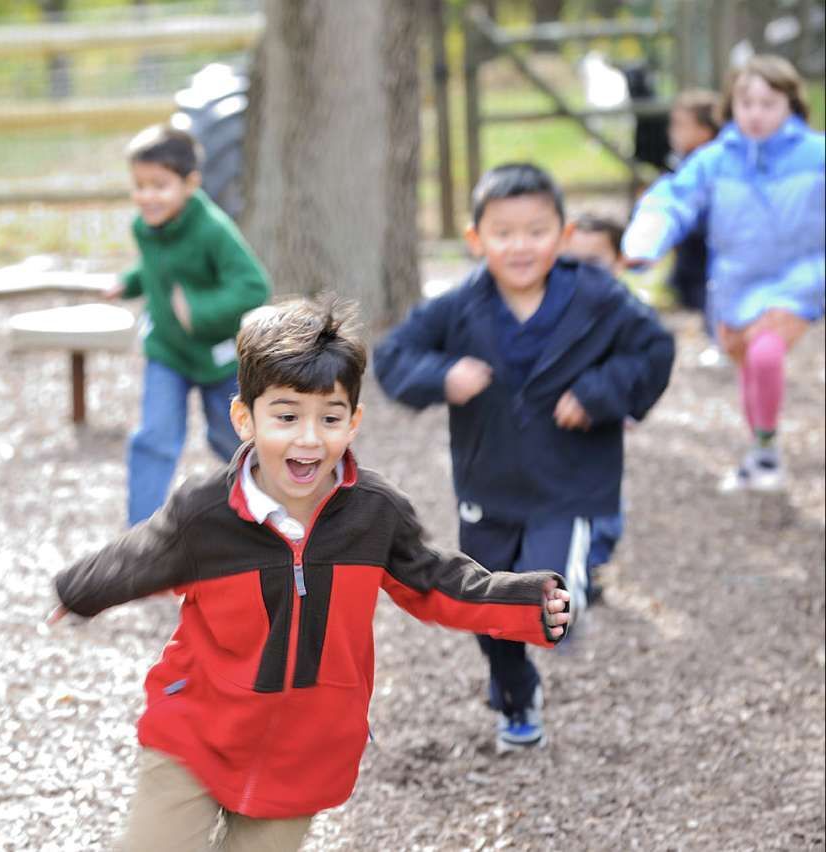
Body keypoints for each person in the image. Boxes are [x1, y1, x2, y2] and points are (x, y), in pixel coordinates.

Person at [49, 297, 572, 851]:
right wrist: (82, 588)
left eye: (329, 417)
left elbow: (436, 581)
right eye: (286, 416)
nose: (308, 438)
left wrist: (523, 605)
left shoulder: (373, 515)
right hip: (197, 730)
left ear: (354, 422)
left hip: (305, 751)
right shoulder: (207, 513)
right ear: (244, 418)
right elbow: (144, 553)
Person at [374, 163, 674, 752]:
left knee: (547, 598)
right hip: (488, 483)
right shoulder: (460, 305)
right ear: (476, 239)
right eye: (503, 233)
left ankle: (574, 589)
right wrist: (442, 375)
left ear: (562, 237)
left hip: (569, 483)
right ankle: (517, 700)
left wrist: (597, 393)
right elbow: (393, 357)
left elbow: (654, 350)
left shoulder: (597, 297)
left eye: (536, 231)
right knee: (490, 605)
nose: (520, 246)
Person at [623, 55, 825, 492]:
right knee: (749, 367)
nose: (755, 112)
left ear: (791, 104)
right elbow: (671, 200)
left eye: (768, 103)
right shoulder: (715, 159)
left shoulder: (817, 155)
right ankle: (759, 450)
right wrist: (645, 242)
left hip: (798, 281)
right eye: (745, 102)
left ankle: (767, 452)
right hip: (735, 287)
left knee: (766, 354)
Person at [105, 123, 270, 526]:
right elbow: (158, 267)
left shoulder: (213, 230)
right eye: (139, 186)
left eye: (159, 186)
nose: (146, 196)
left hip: (217, 358)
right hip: (167, 352)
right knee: (154, 438)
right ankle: (140, 537)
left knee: (231, 437)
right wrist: (130, 282)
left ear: (190, 183)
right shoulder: (146, 227)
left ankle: (268, 514)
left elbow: (253, 286)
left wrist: (198, 310)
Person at [562, 212, 631, 606]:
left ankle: (593, 563)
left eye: (595, 262)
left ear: (619, 263)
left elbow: (636, 368)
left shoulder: (626, 316)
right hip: (555, 425)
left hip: (602, 427)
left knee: (604, 498)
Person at [663, 90, 722, 326]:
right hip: (691, 260)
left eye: (680, 125)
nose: (672, 132)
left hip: (707, 259)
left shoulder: (712, 167)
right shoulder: (682, 162)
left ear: (705, 131)